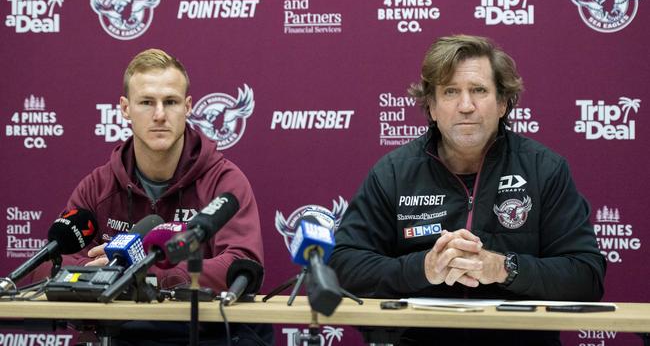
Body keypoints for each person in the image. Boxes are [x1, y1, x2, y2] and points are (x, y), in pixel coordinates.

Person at [329, 35, 606, 346]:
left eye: (479, 90)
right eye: (450, 92)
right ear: (431, 106)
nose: (466, 106)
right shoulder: (393, 173)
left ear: (503, 103)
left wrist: (504, 268)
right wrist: (424, 268)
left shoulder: (545, 170)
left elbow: (586, 276)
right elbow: (342, 267)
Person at [32, 48, 272, 345]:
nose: (159, 114)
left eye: (170, 102)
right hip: (120, 333)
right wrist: (100, 276)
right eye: (146, 102)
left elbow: (241, 266)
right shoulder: (99, 185)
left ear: (188, 107)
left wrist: (142, 271)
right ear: (125, 108)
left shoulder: (223, 181)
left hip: (203, 333)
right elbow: (51, 265)